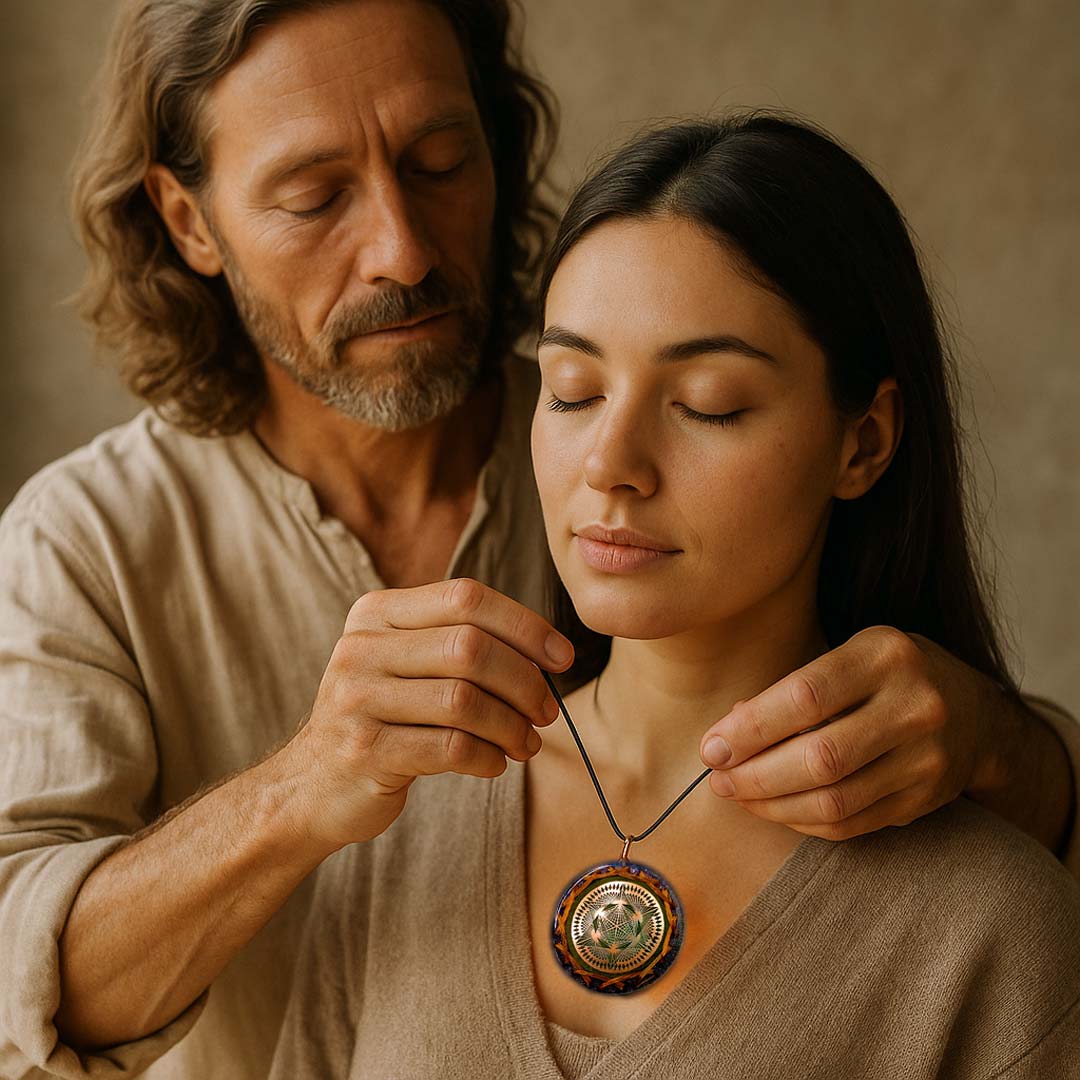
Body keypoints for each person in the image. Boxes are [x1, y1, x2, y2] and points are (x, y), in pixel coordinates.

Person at [0, 2, 1075, 1078]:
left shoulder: (987, 926)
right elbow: (19, 987)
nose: (403, 249)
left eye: (439, 161)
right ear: (190, 221)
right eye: (314, 196)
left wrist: (1001, 749)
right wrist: (302, 791)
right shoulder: (82, 548)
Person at [268, 112, 1080, 1080]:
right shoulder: (408, 821)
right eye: (571, 390)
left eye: (708, 405)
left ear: (861, 443)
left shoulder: (991, 921)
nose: (611, 464)